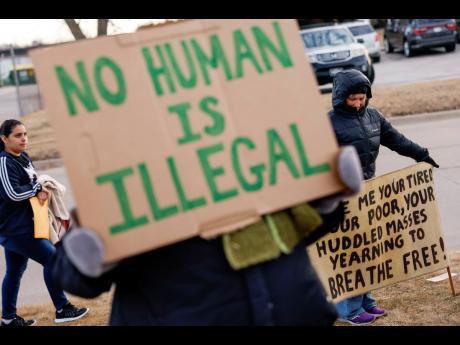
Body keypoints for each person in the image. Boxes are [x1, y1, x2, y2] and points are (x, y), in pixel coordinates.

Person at [50, 145, 364, 326]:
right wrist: (90, 258)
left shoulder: (249, 153)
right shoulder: (132, 180)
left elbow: (289, 235)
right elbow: (75, 276)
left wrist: (323, 200)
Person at [328, 69, 439, 325]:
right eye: (352, 98)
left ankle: (366, 302)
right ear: (340, 96)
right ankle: (348, 310)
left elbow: (395, 139)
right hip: (341, 197)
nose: (358, 103)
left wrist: (421, 154)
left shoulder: (373, 116)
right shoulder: (329, 123)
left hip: (368, 193)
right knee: (350, 254)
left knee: (368, 251)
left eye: (362, 98)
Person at [0, 119, 89, 326]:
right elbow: (11, 193)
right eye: (18, 135)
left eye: (25, 134)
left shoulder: (23, 157)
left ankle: (8, 319)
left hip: (26, 224)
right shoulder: (4, 162)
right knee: (53, 260)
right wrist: (36, 190)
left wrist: (40, 187)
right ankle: (62, 309)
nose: (24, 138)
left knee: (14, 272)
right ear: (4, 138)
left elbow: (32, 183)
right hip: (16, 228)